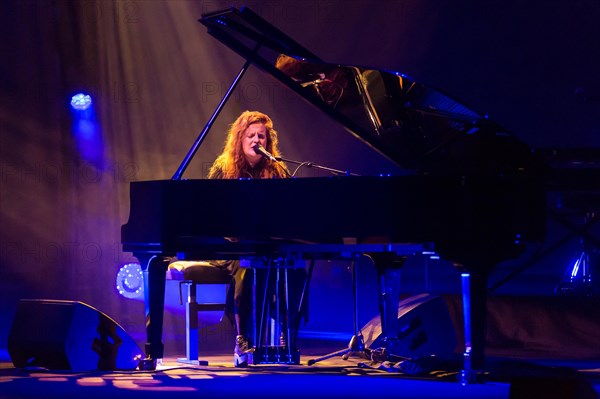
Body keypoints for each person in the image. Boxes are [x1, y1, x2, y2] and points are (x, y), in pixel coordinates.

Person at [207, 110, 304, 367]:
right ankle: (243, 339)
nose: (256, 140)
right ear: (240, 139)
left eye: (261, 135)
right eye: (250, 135)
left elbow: (290, 208)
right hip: (229, 248)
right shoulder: (223, 167)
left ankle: (288, 334)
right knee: (246, 269)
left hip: (265, 245)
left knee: (296, 269)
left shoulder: (276, 168)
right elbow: (210, 211)